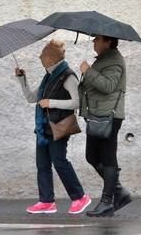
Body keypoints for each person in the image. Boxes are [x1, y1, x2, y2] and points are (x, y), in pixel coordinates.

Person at [14, 39, 91, 214]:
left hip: (59, 126)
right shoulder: (48, 77)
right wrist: (22, 79)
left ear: (51, 58)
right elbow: (32, 98)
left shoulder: (68, 75)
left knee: (60, 162)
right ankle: (46, 201)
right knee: (42, 164)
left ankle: (80, 197)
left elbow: (77, 102)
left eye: (42, 54)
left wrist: (51, 103)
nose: (40, 57)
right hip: (43, 128)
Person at [79, 35, 131, 217]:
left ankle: (107, 202)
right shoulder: (103, 59)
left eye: (97, 39)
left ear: (108, 41)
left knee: (108, 158)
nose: (94, 42)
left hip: (109, 116)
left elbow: (108, 86)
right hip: (97, 115)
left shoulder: (114, 60)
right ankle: (119, 192)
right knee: (91, 155)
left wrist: (88, 71)